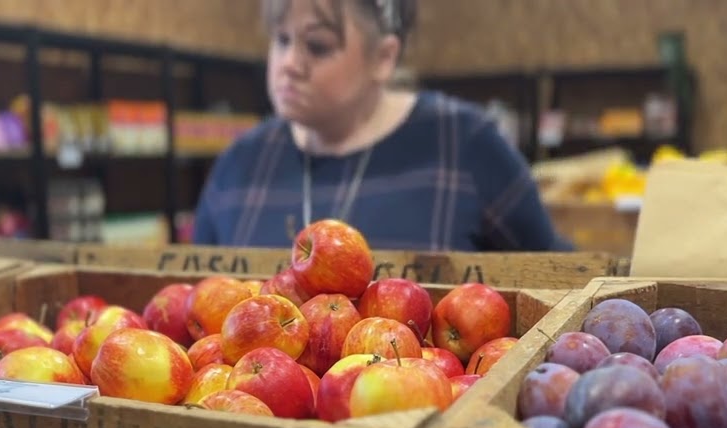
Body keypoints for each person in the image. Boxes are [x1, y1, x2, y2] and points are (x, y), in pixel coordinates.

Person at [192, 0, 569, 252]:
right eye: (282, 39)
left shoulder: (464, 144)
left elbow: (553, 280)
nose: (289, 63)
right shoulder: (239, 165)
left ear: (383, 57)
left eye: (317, 46)